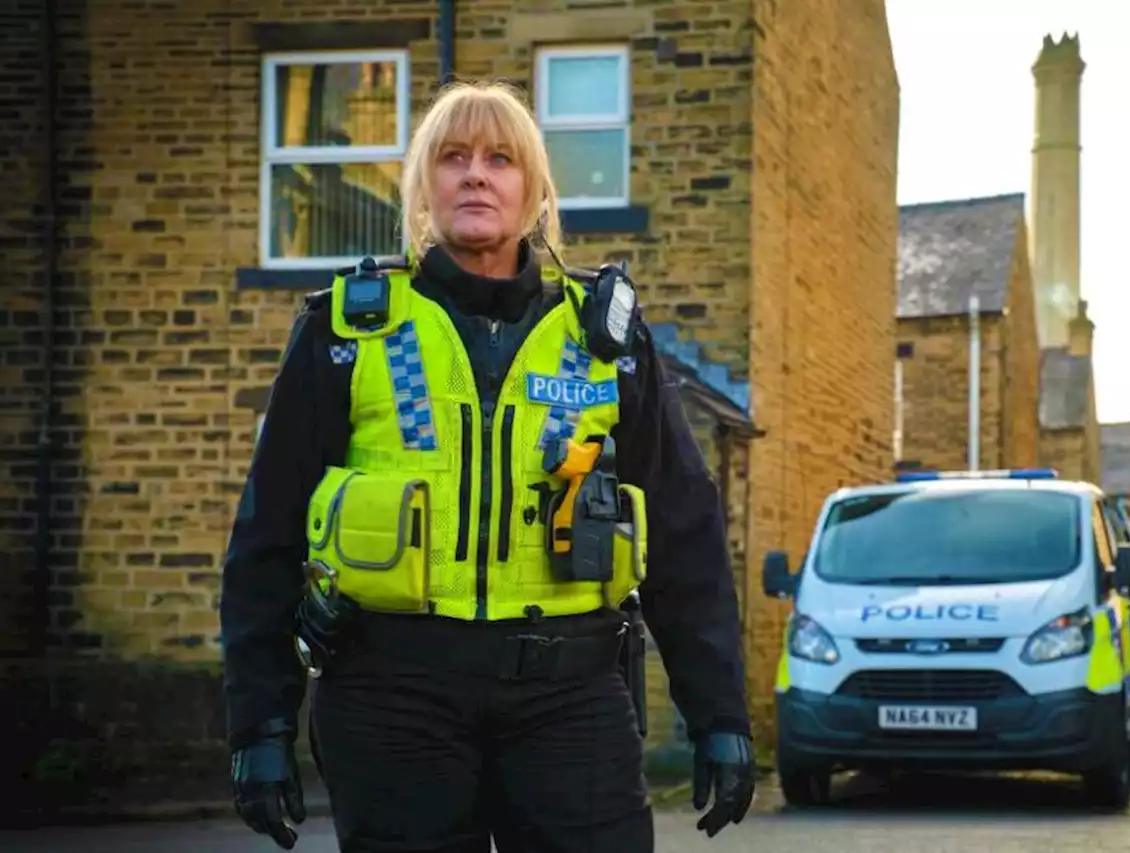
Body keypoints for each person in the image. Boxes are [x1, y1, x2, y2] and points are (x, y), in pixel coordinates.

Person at [219, 79, 756, 853]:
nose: (476, 174)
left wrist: (719, 714)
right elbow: (266, 536)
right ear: (423, 188)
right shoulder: (343, 331)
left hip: (570, 698)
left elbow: (685, 532)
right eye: (453, 157)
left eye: (501, 159)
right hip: (391, 697)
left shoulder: (604, 337)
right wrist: (259, 723)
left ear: (535, 192)